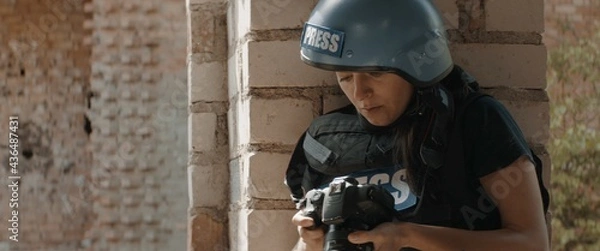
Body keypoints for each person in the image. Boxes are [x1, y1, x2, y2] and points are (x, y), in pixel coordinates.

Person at [285, 0, 551, 250]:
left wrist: (406, 237)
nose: (359, 93)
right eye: (344, 77)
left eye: (375, 73)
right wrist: (310, 242)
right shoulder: (326, 141)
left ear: (416, 65)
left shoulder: (475, 121)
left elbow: (532, 242)